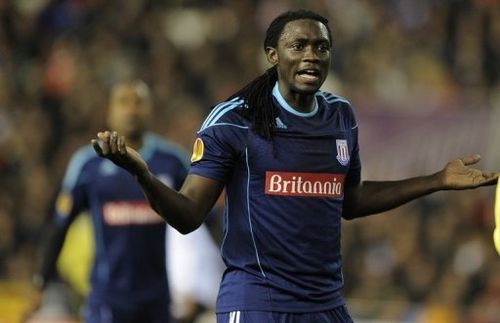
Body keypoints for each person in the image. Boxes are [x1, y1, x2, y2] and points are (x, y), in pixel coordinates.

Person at [91, 10, 499, 323]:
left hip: (324, 302)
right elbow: (187, 215)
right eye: (298, 45)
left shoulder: (340, 116)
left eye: (320, 47)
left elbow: (350, 200)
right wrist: (141, 173)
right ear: (273, 55)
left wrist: (437, 180)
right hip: (256, 301)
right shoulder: (235, 120)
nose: (311, 55)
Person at [33, 79, 217, 323]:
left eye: (139, 102)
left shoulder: (171, 161)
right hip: (107, 299)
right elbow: (59, 226)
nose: (131, 110)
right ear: (109, 112)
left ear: (150, 110)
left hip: (158, 299)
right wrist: (41, 280)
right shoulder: (88, 164)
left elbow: (209, 218)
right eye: (123, 102)